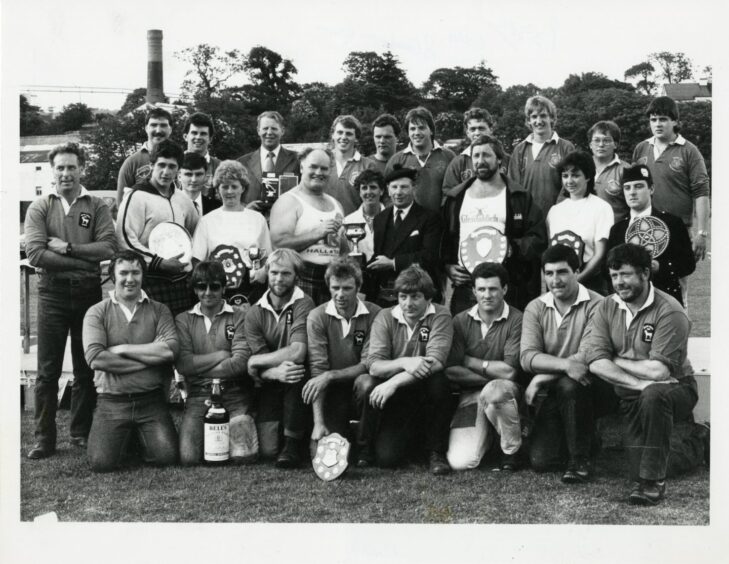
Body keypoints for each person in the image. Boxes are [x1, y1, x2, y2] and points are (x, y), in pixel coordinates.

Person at [584, 243, 708, 505]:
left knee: (654, 395)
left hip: (675, 388)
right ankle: (694, 442)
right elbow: (594, 361)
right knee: (634, 463)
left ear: (644, 273)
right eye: (614, 275)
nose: (619, 282)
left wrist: (615, 359)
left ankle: (653, 482)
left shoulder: (670, 310)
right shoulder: (606, 307)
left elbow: (659, 370)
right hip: (633, 390)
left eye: (626, 274)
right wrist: (637, 383)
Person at [24, 143, 117, 459]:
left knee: (85, 368)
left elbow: (107, 248)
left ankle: (80, 433)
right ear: (53, 171)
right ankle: (44, 438)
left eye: (71, 167)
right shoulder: (40, 206)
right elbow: (36, 254)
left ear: (82, 169)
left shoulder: (97, 205)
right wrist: (82, 262)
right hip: (51, 294)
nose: (66, 173)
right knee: (47, 372)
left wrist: (67, 249)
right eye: (60, 168)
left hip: (88, 295)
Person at [521, 244, 616, 482]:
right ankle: (586, 437)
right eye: (549, 273)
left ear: (577, 271)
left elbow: (586, 355)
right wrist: (564, 366)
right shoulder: (536, 307)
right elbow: (527, 357)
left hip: (590, 386)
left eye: (562, 272)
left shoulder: (599, 304)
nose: (555, 280)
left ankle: (579, 460)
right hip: (556, 389)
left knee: (570, 384)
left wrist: (542, 375)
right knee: (543, 461)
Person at [82, 251, 179, 472]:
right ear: (113, 276)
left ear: (143, 275)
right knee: (101, 463)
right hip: (112, 401)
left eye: (136, 272)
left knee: (167, 457)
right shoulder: (97, 312)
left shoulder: (159, 309)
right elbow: (96, 358)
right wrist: (149, 360)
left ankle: (135, 436)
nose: (130, 279)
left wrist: (122, 349)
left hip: (150, 400)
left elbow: (171, 350)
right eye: (123, 272)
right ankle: (129, 436)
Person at [354, 266, 454, 474]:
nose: (408, 303)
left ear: (428, 297)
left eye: (415, 297)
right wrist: (405, 362)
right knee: (387, 459)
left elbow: (435, 361)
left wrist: (394, 381)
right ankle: (370, 447)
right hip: (396, 398)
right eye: (403, 296)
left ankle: (437, 451)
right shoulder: (385, 316)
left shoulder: (441, 315)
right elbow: (374, 364)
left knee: (439, 380)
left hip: (423, 390)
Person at [442, 134, 547, 313]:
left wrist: (513, 248)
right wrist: (447, 266)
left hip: (506, 286)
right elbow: (443, 239)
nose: (480, 161)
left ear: (499, 159)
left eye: (486, 155)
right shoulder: (455, 198)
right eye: (476, 156)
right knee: (464, 339)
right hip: (467, 286)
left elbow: (538, 238)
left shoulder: (518, 197)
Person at [175, 261, 257, 465]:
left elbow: (239, 364)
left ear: (224, 287)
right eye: (202, 286)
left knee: (243, 457)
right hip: (199, 393)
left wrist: (199, 367)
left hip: (234, 392)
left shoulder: (239, 316)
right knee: (189, 458)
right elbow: (183, 365)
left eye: (214, 286)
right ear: (195, 289)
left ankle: (243, 420)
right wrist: (221, 354)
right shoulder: (183, 320)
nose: (208, 292)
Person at [445, 263, 523, 471]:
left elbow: (509, 372)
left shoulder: (517, 319)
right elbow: (451, 370)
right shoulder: (460, 321)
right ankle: (489, 437)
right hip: (470, 394)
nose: (487, 295)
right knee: (461, 461)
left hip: (503, 393)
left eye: (493, 289)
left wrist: (470, 361)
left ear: (504, 290)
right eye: (481, 289)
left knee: (495, 391)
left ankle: (510, 450)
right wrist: (490, 373)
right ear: (473, 291)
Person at [245, 249, 316, 468]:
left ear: (296, 276)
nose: (278, 279)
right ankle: (291, 437)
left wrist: (256, 363)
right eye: (274, 272)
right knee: (268, 450)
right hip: (270, 380)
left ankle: (293, 445)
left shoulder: (305, 304)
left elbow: (297, 352)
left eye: (285, 273)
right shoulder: (254, 312)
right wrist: (271, 371)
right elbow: (259, 359)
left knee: (295, 371)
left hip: (298, 377)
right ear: (266, 272)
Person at [117, 139, 199, 315]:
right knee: (155, 338)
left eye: (172, 166)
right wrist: (159, 263)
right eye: (161, 165)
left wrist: (186, 261)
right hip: (151, 282)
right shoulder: (137, 196)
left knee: (182, 339)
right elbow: (125, 240)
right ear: (151, 165)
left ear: (178, 170)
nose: (166, 171)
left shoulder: (183, 199)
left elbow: (194, 231)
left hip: (181, 283)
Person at [304, 258, 381, 445]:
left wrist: (330, 375)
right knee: (329, 446)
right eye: (335, 288)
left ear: (358, 287)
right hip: (333, 392)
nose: (340, 294)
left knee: (367, 383)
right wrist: (318, 422)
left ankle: (366, 446)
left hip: (361, 389)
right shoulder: (317, 317)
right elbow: (317, 371)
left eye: (347, 288)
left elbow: (368, 364)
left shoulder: (376, 313)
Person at [631, 96, 710, 262]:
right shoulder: (641, 149)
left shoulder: (690, 151)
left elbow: (701, 193)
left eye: (663, 119)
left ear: (675, 121)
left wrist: (702, 233)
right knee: (645, 282)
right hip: (645, 228)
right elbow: (632, 189)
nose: (658, 124)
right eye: (653, 120)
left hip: (679, 230)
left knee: (678, 285)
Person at [607, 164, 695, 306]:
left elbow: (688, 264)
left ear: (651, 189)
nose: (632, 192)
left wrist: (661, 267)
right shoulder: (618, 229)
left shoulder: (672, 223)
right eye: (627, 188)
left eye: (639, 186)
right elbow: (607, 270)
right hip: (628, 305)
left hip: (666, 301)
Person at [269, 148, 346, 305]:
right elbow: (279, 244)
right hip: (301, 277)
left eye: (324, 168)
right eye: (313, 166)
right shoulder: (288, 201)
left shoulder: (336, 204)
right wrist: (317, 233)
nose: (319, 172)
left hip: (332, 280)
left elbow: (342, 249)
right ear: (302, 167)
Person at [191, 160, 271, 306]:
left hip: (251, 287)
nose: (229, 191)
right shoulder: (207, 221)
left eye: (234, 186)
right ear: (217, 189)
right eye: (224, 186)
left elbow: (267, 257)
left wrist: (262, 272)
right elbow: (197, 261)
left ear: (243, 188)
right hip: (217, 287)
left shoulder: (257, 219)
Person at [367, 166, 444, 306]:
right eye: (394, 187)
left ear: (413, 188)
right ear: (388, 190)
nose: (398, 192)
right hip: (387, 294)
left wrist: (393, 263)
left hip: (418, 291)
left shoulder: (429, 218)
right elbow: (379, 255)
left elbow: (429, 257)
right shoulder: (380, 218)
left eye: (404, 187)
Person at [547, 151, 614, 294]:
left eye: (576, 175)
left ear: (588, 177)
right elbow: (549, 253)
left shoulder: (601, 208)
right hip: (558, 285)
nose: (569, 181)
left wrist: (575, 281)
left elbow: (600, 254)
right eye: (565, 176)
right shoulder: (554, 211)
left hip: (591, 284)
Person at [507, 95, 575, 216]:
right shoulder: (519, 150)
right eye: (534, 117)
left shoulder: (566, 147)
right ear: (528, 120)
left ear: (552, 118)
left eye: (543, 115)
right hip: (527, 219)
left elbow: (571, 184)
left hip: (559, 216)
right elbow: (513, 186)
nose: (538, 121)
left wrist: (558, 212)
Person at [385, 106, 455, 212]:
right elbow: (387, 195)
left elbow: (455, 191)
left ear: (431, 130)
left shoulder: (448, 156)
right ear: (408, 133)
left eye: (421, 128)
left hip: (441, 223)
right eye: (412, 129)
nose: (416, 133)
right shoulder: (396, 160)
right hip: (408, 225)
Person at [237, 110, 300, 210]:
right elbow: (232, 195)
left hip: (285, 219)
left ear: (282, 131)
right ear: (258, 130)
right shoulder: (241, 163)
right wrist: (245, 208)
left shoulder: (298, 160)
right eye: (265, 128)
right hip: (252, 221)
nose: (269, 132)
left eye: (274, 129)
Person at [442, 108, 507, 194]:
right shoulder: (458, 163)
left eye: (481, 128)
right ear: (467, 132)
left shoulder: (506, 159)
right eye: (473, 129)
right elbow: (448, 193)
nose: (477, 133)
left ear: (491, 129)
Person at [116, 107, 173, 205]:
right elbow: (121, 203)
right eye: (153, 125)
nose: (158, 130)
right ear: (146, 128)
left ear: (170, 129)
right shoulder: (132, 162)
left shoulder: (180, 160)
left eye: (163, 125)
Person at [324, 114, 378, 215]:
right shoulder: (322, 162)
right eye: (340, 132)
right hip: (323, 225)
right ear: (333, 135)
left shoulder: (368, 166)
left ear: (356, 138)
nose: (343, 137)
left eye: (349, 134)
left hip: (355, 226)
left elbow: (373, 202)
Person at [589, 120, 630, 223]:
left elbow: (635, 206)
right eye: (596, 140)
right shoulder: (580, 168)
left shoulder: (626, 170)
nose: (601, 145)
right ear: (590, 144)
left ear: (615, 144)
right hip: (584, 234)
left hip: (614, 234)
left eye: (606, 140)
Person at [343, 169, 387, 262]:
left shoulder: (393, 219)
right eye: (364, 188)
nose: (368, 192)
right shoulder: (348, 221)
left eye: (373, 187)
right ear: (359, 192)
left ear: (382, 191)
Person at [182, 111, 221, 196]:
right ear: (185, 137)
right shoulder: (175, 163)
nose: (198, 137)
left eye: (203, 134)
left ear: (210, 139)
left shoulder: (220, 167)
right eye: (194, 133)